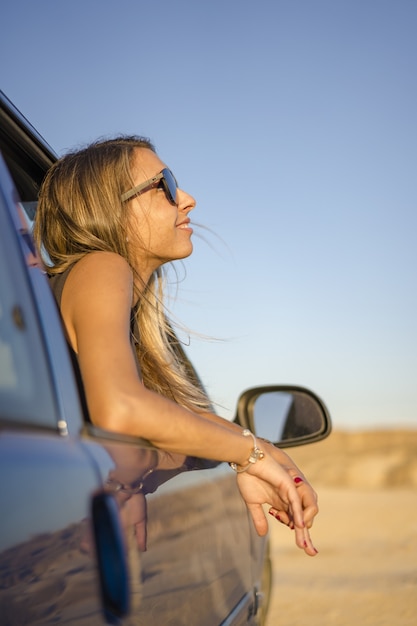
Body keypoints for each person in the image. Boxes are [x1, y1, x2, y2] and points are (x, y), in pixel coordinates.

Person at [34, 136, 319, 556]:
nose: (187, 199)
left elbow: (171, 417)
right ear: (110, 209)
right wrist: (249, 454)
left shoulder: (116, 304)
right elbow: (122, 409)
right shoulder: (101, 266)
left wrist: (260, 453)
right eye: (164, 184)